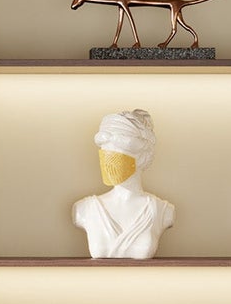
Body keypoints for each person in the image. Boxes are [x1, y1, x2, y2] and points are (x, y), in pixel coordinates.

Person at [72, 109, 175, 260]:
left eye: (117, 154)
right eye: (104, 153)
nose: (108, 163)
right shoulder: (83, 210)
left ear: (142, 156)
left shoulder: (163, 211)